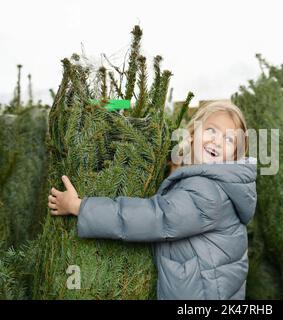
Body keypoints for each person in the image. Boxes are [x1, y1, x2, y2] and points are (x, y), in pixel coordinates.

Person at [47, 100, 257, 300]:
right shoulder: (203, 177)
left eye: (229, 139)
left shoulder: (209, 193)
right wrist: (114, 103)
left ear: (235, 155)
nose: (217, 141)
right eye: (211, 130)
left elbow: (153, 217)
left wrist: (80, 206)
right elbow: (151, 113)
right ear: (193, 133)